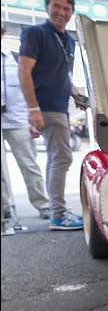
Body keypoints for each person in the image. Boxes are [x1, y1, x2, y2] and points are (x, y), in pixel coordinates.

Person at [18, 0, 86, 231]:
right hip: (46, 106)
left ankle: (56, 211)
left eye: (66, 9)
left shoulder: (68, 40)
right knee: (62, 157)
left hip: (60, 107)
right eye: (56, 6)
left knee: (57, 158)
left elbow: (64, 74)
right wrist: (33, 108)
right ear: (47, 7)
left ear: (71, 13)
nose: (61, 12)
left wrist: (76, 95)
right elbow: (24, 71)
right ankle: (57, 214)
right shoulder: (35, 33)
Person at [2, 23, 50, 236]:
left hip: (18, 119)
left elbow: (30, 85)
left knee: (29, 165)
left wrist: (33, 116)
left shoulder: (15, 57)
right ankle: (4, 213)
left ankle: (43, 205)